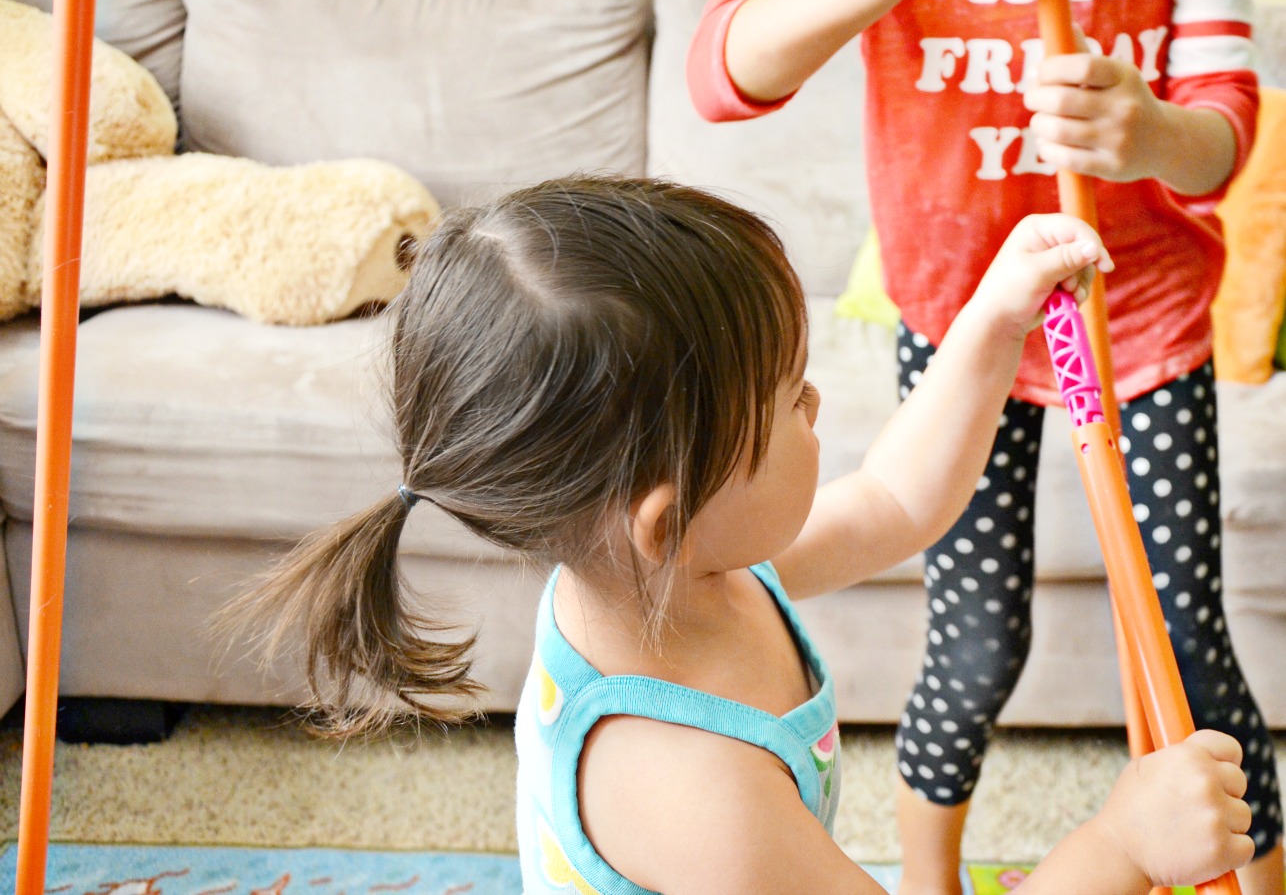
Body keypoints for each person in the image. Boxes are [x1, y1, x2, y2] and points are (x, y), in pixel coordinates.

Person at [228, 174, 1255, 895]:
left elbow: (895, 499)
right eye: (787, 399)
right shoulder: (687, 784)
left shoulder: (666, 573)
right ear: (666, 517)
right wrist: (1120, 844)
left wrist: (992, 322)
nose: (815, 404)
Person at [685, 0, 1285, 891]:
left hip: (1138, 313)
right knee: (975, 645)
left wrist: (1148, 133)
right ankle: (932, 884)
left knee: (1187, 647)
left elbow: (1220, 133)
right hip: (961, 319)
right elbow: (721, 70)